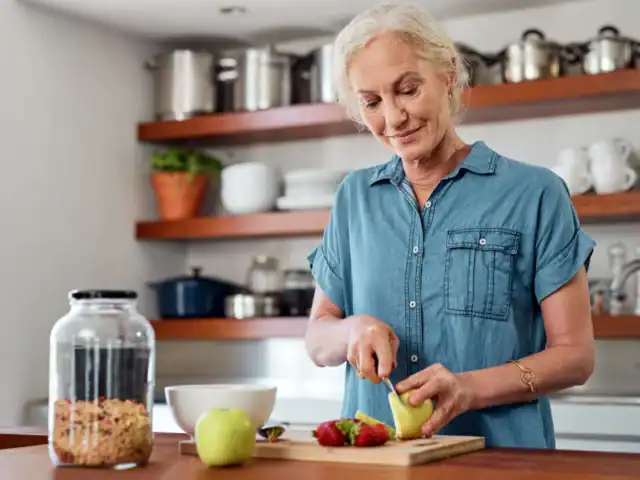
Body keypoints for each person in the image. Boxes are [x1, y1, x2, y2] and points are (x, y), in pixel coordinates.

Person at [304, 2, 596, 449]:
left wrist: (469, 389)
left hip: (502, 464)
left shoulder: (536, 194)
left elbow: (575, 357)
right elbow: (318, 339)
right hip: (378, 462)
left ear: (450, 76)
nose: (394, 118)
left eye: (408, 89)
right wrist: (351, 329)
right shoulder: (353, 198)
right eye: (372, 102)